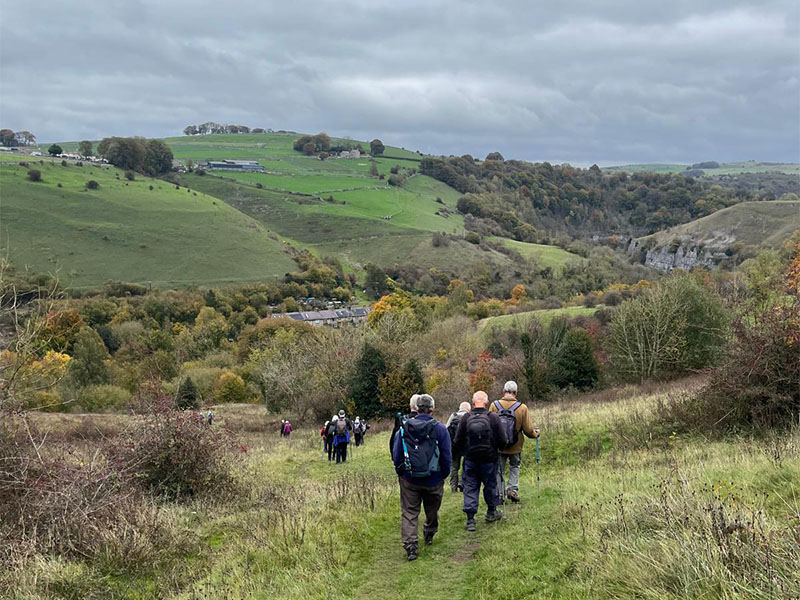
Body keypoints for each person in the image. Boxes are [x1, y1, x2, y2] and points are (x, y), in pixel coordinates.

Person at [392, 394, 451, 561]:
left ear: (416, 408)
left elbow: (397, 454)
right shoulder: (440, 429)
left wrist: (401, 473)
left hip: (409, 479)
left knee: (409, 512)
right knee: (432, 510)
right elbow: (446, 456)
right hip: (434, 479)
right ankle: (429, 532)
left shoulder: (404, 428)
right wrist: (443, 475)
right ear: (432, 409)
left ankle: (411, 547)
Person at [453, 391, 508, 531]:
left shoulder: (466, 418)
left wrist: (464, 452)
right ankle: (491, 512)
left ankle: (470, 520)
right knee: (490, 485)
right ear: (486, 402)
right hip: (489, 459)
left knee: (470, 486)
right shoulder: (493, 418)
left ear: (473, 402)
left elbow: (457, 440)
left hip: (471, 459)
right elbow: (503, 439)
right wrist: (497, 449)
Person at [490, 381, 540, 504]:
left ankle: (499, 495)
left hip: (499, 446)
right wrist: (535, 434)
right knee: (514, 467)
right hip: (516, 446)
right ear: (516, 393)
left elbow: (489, 426)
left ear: (503, 391)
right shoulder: (522, 408)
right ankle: (512, 489)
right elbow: (528, 430)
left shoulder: (494, 406)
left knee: (499, 470)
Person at [446, 401, 471, 492]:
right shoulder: (469, 416)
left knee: (454, 467)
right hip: (465, 446)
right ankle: (462, 483)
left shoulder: (453, 415)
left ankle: (453, 487)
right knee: (466, 464)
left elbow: (446, 429)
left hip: (454, 446)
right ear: (469, 409)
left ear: (460, 408)